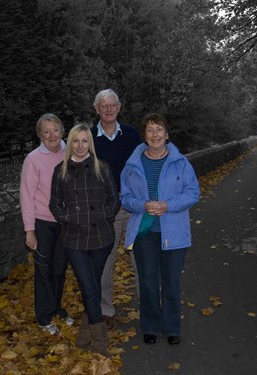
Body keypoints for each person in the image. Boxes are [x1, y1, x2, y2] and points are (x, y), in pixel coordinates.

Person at [120, 113, 200, 345]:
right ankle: (151, 326)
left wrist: (168, 205)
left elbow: (193, 193)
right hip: (145, 233)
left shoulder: (181, 163)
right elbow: (125, 198)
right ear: (144, 136)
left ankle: (172, 327)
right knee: (147, 282)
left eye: (159, 129)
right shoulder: (132, 165)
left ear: (167, 134)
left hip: (174, 233)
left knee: (172, 283)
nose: (155, 134)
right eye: (150, 130)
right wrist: (142, 205)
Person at [49, 123, 120, 355]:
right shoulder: (61, 171)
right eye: (76, 141)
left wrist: (104, 217)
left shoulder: (102, 168)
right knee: (88, 286)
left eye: (85, 141)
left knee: (93, 285)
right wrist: (69, 218)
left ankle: (85, 329)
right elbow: (54, 204)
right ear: (70, 143)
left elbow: (114, 199)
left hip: (101, 236)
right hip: (74, 238)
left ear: (90, 143)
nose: (80, 146)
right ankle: (101, 341)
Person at [90, 89, 141, 329]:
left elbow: (148, 161)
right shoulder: (88, 138)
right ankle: (105, 310)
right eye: (104, 106)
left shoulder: (132, 135)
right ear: (97, 109)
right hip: (104, 211)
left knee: (140, 259)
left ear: (119, 108)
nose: (108, 110)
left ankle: (148, 307)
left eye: (112, 105)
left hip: (132, 207)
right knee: (104, 263)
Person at [19, 113, 73, 335]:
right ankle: (44, 316)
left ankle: (56, 307)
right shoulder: (33, 159)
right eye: (46, 131)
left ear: (62, 131)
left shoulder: (70, 152)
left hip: (65, 222)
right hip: (42, 222)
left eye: (56, 130)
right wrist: (29, 230)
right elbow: (26, 195)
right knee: (44, 269)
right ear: (40, 135)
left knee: (60, 268)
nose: (52, 135)